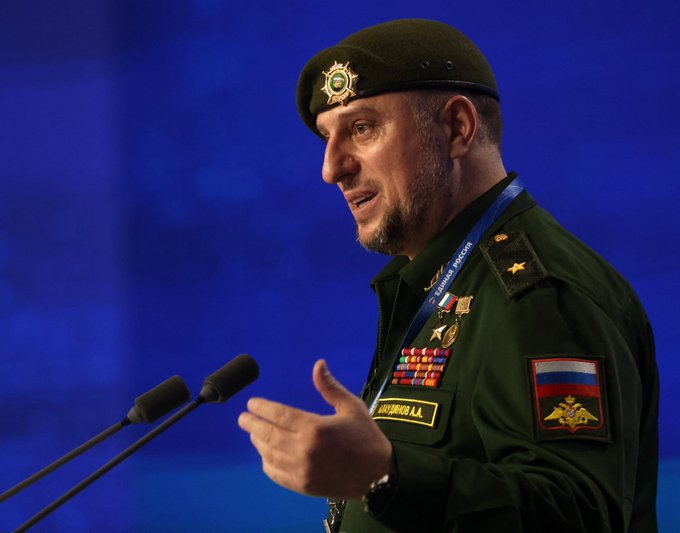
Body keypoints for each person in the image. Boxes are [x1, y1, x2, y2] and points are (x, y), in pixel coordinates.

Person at [237, 19, 658, 532]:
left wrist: (385, 478)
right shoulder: (441, 281)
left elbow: (578, 515)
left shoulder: (537, 294)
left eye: (362, 128)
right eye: (328, 137)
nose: (331, 168)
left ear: (456, 128)